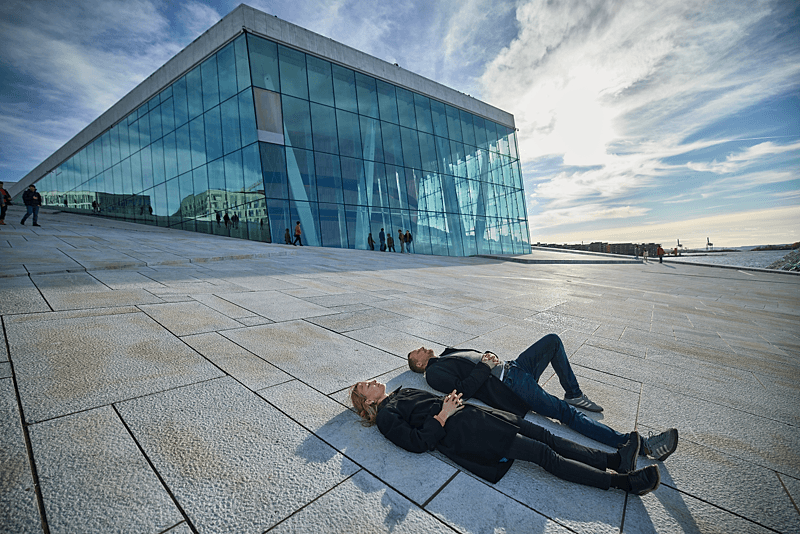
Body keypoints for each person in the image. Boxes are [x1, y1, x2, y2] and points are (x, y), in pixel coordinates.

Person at [350, 381, 661, 495]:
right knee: (544, 455)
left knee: (548, 437)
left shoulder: (401, 392)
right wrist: (443, 414)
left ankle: (615, 460)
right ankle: (622, 484)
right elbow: (417, 442)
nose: (373, 382)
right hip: (471, 435)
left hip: (482, 417)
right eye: (366, 386)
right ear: (368, 402)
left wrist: (448, 401)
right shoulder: (386, 417)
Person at [408, 334, 679, 461]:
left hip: (514, 367)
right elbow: (463, 390)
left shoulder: (447, 353)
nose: (421, 347)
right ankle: (640, 445)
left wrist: (490, 357)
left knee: (552, 340)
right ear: (419, 364)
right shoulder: (434, 374)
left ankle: (574, 393)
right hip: (511, 385)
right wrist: (486, 366)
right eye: (416, 352)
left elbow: (480, 358)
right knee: (566, 414)